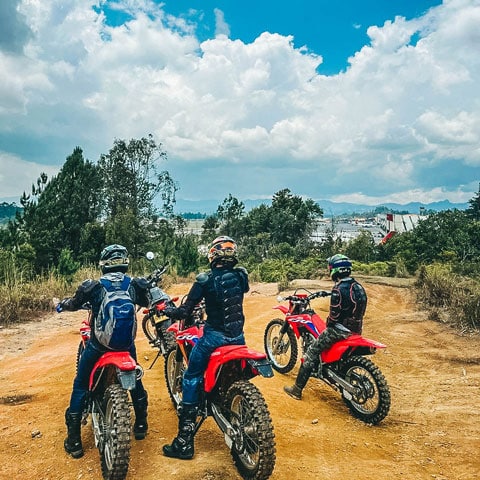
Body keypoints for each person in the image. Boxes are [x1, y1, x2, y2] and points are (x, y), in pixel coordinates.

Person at [57, 244, 151, 458]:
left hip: (99, 346)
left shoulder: (94, 286)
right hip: (126, 346)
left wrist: (61, 305)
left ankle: (74, 442)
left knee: (81, 384)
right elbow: (146, 302)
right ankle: (141, 425)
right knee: (136, 381)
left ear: (104, 263)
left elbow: (73, 303)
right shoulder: (133, 284)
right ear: (125, 262)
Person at [162, 236, 249, 460]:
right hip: (238, 337)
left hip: (214, 338)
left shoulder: (205, 279)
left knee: (191, 376)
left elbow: (184, 311)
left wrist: (167, 311)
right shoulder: (241, 275)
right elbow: (241, 291)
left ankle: (184, 442)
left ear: (213, 254)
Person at [284, 254, 367, 400]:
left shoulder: (338, 289)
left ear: (335, 270)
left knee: (311, 351)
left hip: (339, 331)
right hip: (356, 330)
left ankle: (296, 390)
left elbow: (334, 317)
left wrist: (329, 323)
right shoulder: (357, 286)